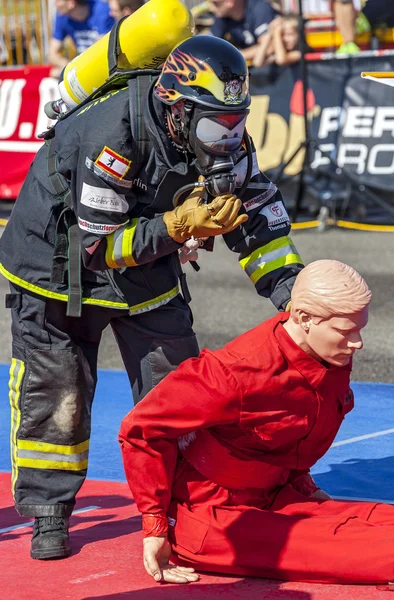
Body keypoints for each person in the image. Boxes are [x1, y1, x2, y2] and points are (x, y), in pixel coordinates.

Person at [0, 34, 303, 561]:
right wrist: (177, 225)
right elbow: (99, 246)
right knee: (57, 395)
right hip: (59, 261)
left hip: (147, 253)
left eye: (237, 122)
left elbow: (260, 222)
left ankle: (188, 504)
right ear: (177, 111)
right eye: (216, 125)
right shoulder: (112, 135)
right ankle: (49, 513)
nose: (228, 138)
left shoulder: (226, 140)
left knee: (180, 387)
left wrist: (295, 292)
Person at [120, 260, 394, 586]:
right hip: (211, 516)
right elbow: (142, 428)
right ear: (304, 319)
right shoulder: (236, 372)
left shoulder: (329, 355)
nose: (357, 342)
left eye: (359, 329)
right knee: (374, 552)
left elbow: (295, 428)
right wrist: (154, 526)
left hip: (278, 495)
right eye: (346, 331)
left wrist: (302, 484)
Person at [49, 0, 114, 78]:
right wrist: (69, 69)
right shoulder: (62, 15)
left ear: (71, 3)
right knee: (52, 77)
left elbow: (101, 50)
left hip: (103, 65)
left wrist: (75, 70)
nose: (55, 5)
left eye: (57, 1)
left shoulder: (102, 10)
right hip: (82, 66)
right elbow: (52, 55)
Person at [209, 0, 279, 65]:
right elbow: (210, 44)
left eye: (215, 3)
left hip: (273, 66)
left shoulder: (260, 8)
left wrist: (232, 56)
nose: (211, 8)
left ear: (230, 2)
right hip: (247, 63)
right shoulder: (222, 14)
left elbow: (269, 47)